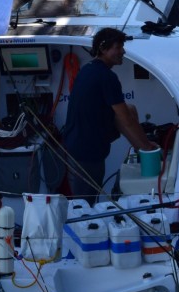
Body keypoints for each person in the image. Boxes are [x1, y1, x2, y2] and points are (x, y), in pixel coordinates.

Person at [62, 28, 156, 196]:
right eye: (118, 47)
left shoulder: (88, 69)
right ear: (103, 49)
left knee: (130, 108)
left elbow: (125, 113)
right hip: (88, 153)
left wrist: (142, 146)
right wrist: (148, 147)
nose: (123, 51)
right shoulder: (107, 77)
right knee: (85, 201)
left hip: (76, 147)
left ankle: (141, 150)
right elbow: (125, 119)